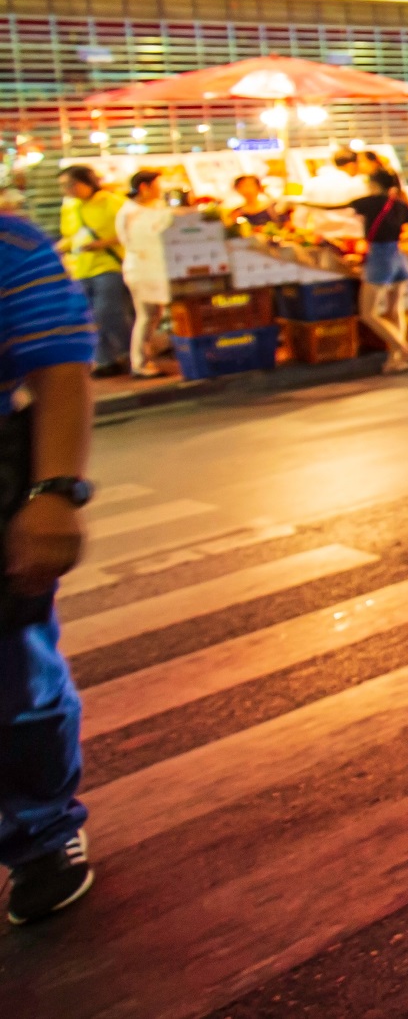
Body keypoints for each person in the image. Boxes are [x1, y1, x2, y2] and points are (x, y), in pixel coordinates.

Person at [0, 211, 98, 923]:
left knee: (15, 683)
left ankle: (41, 833)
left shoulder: (9, 243)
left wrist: (54, 492)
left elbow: (61, 369)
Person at [53, 167, 130, 379]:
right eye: (62, 186)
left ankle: (130, 351)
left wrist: (102, 243)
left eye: (69, 184)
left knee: (107, 312)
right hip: (80, 268)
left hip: (108, 265)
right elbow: (70, 236)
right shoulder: (70, 207)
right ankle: (105, 360)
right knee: (87, 317)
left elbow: (130, 232)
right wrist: (56, 249)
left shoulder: (113, 202)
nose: (66, 190)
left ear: (87, 182)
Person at [352, 165, 408, 374]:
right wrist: (393, 235)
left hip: (380, 257)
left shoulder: (370, 202)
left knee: (367, 313)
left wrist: (295, 202)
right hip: (397, 255)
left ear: (374, 184)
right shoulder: (399, 204)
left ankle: (404, 349)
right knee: (394, 309)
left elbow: (331, 207)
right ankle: (394, 359)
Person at [115, 170, 173, 379]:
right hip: (142, 270)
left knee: (153, 316)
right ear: (144, 187)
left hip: (154, 269)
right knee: (147, 316)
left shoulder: (153, 208)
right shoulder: (130, 212)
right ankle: (140, 363)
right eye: (157, 185)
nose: (161, 190)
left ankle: (144, 359)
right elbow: (135, 242)